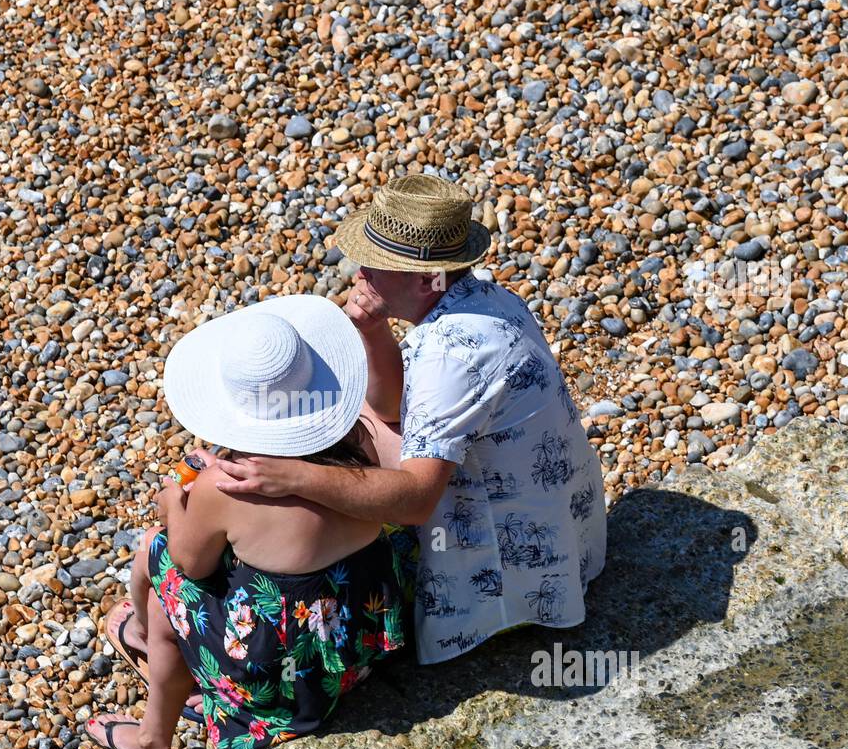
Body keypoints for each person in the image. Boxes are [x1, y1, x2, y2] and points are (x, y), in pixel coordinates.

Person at [216, 173, 607, 665]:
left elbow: (418, 501)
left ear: (427, 279)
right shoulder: (489, 300)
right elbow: (391, 409)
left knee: (315, 461)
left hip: (505, 565)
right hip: (563, 528)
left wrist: (293, 476)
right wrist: (373, 331)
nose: (357, 273)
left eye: (376, 266)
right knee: (349, 418)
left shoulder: (447, 356)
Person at [87, 294, 413, 749]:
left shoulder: (227, 489)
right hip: (353, 645)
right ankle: (144, 644)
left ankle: (155, 737)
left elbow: (189, 562)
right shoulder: (359, 449)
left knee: (162, 571)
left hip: (282, 681)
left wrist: (174, 500)